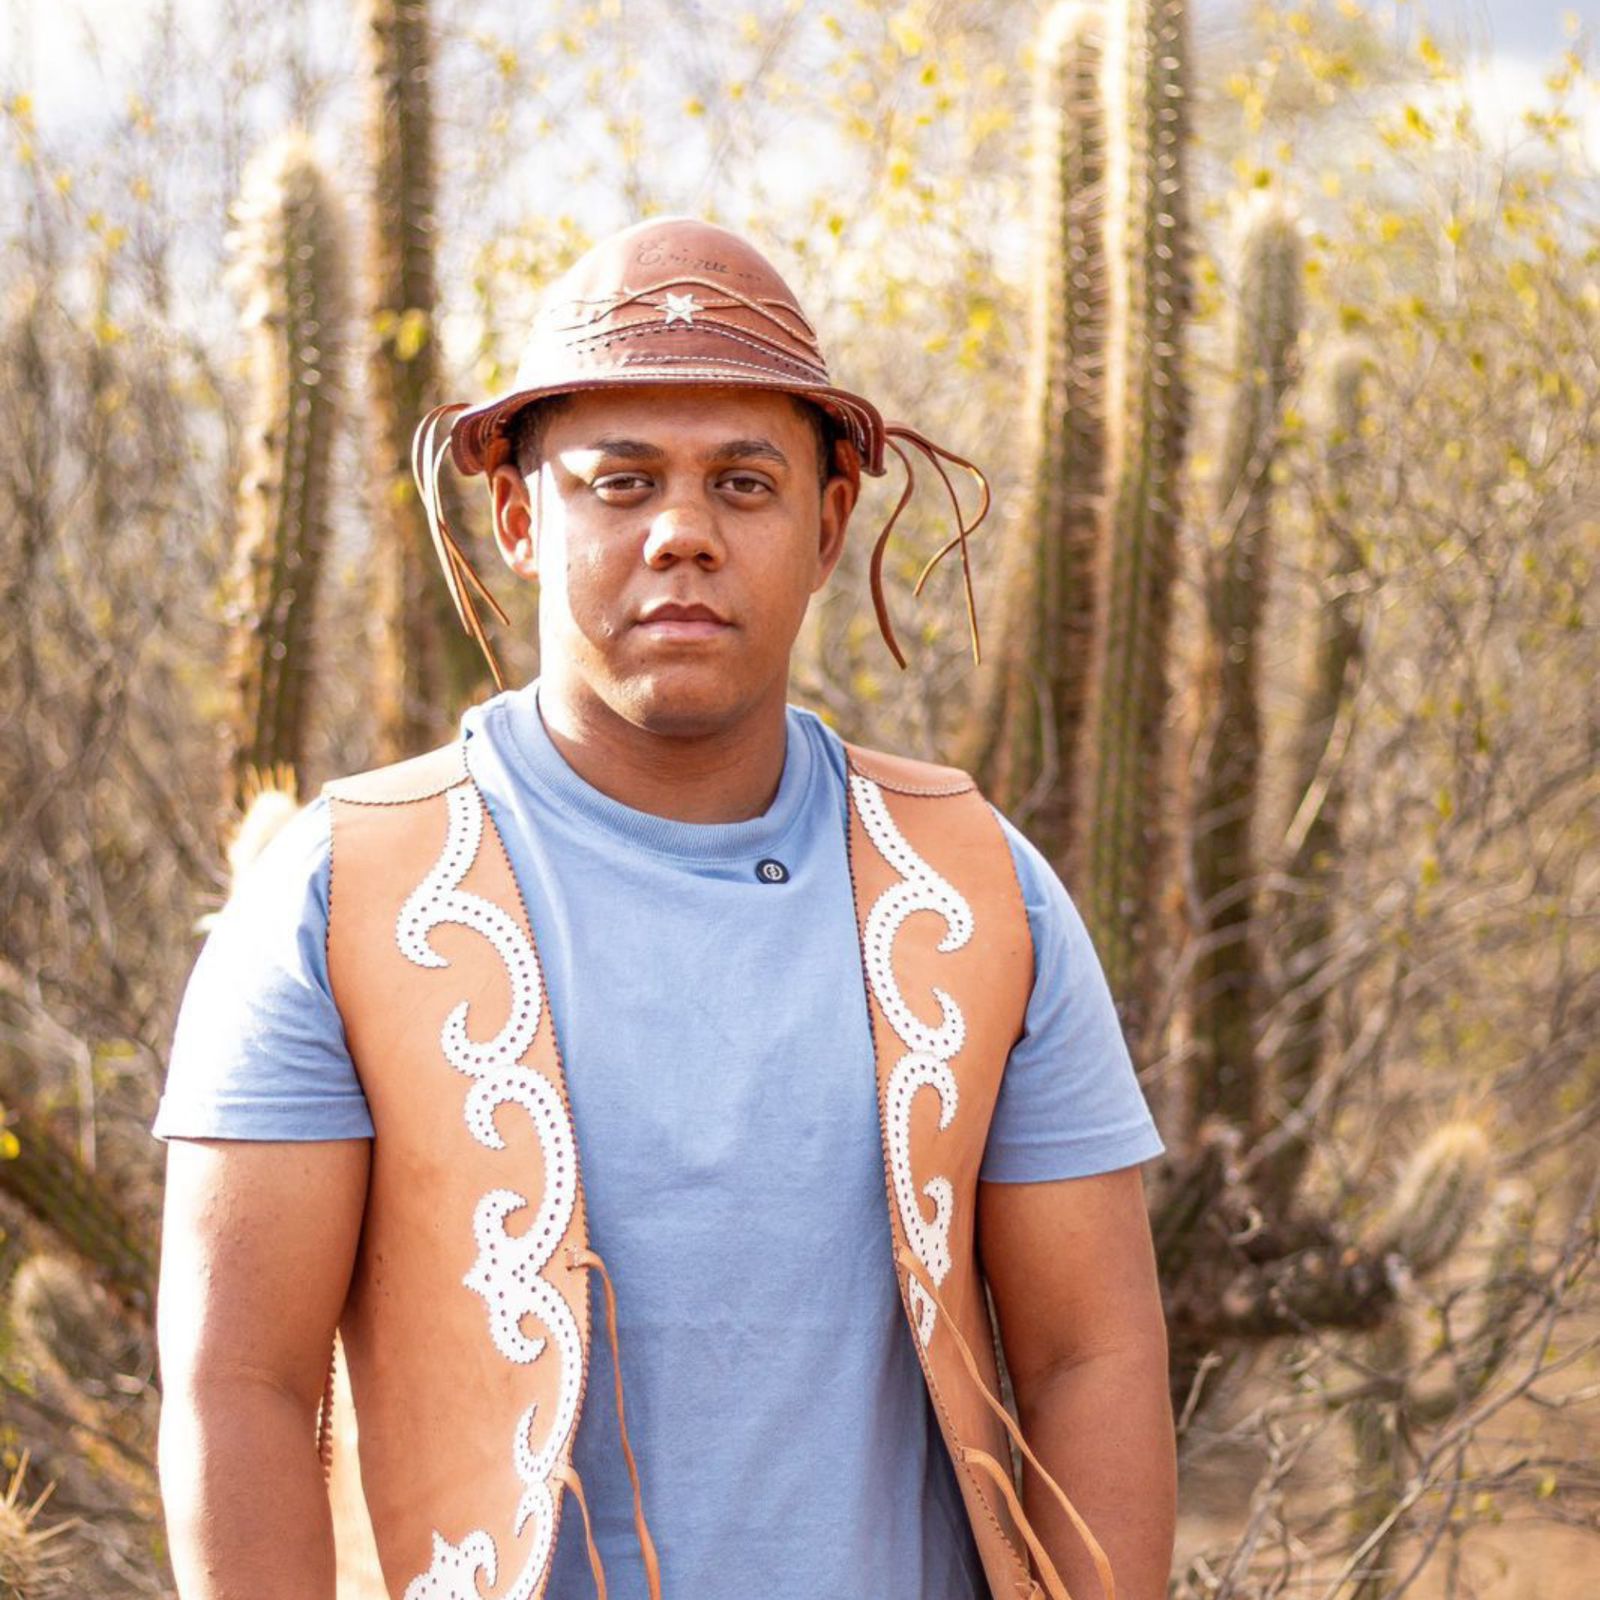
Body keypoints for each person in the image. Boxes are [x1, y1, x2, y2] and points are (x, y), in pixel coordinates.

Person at [152, 216, 1175, 1600]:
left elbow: (1089, 1358)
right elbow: (240, 1386)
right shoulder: (342, 897)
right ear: (522, 519)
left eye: (744, 484)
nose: (683, 533)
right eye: (621, 482)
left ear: (827, 528)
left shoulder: (977, 892)